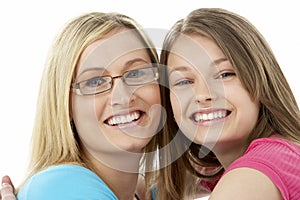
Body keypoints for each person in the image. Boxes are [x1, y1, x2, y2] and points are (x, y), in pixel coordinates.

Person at [1, 12, 163, 200]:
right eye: (95, 82)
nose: (123, 97)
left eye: (136, 74)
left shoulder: (138, 190)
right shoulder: (61, 186)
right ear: (66, 105)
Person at [152, 8, 300, 200]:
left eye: (224, 75)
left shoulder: (251, 176)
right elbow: (165, 185)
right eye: (184, 82)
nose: (203, 95)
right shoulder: (276, 155)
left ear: (261, 82)